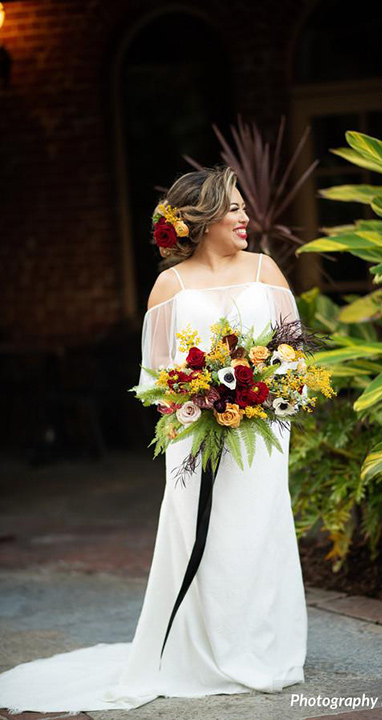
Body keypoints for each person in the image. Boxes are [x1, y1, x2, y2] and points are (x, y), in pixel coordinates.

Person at [0, 164, 308, 713]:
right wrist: (203, 395)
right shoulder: (172, 284)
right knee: (198, 537)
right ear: (204, 218)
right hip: (195, 437)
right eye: (233, 208)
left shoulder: (266, 270)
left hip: (262, 434)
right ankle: (193, 650)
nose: (245, 217)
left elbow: (295, 355)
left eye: (241, 207)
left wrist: (260, 391)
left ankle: (263, 649)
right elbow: (157, 378)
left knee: (260, 532)